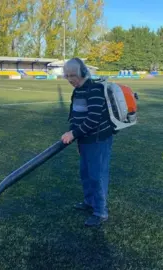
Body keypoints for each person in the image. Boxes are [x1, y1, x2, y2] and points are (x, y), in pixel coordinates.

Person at [60, 58, 114, 227]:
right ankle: (89, 202)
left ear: (82, 73)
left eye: (73, 75)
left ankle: (100, 211)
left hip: (98, 140)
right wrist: (76, 139)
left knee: (97, 176)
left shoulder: (94, 89)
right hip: (84, 140)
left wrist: (73, 134)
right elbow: (75, 116)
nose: (70, 79)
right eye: (67, 76)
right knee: (85, 173)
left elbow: (93, 120)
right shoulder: (77, 91)